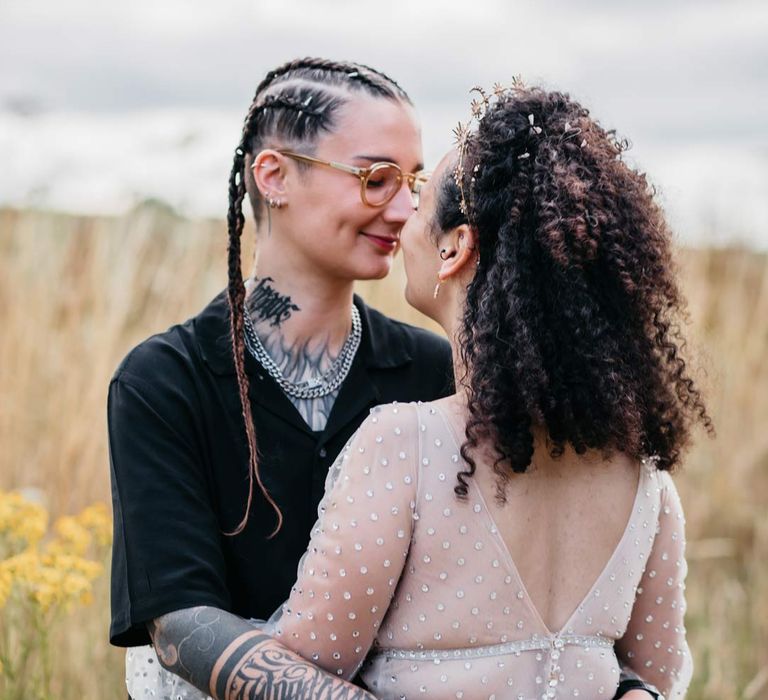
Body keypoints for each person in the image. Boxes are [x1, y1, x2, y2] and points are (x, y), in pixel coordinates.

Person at [109, 57, 661, 699]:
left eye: (415, 182)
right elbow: (177, 617)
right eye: (376, 179)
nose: (404, 209)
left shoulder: (437, 370)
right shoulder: (162, 381)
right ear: (275, 175)